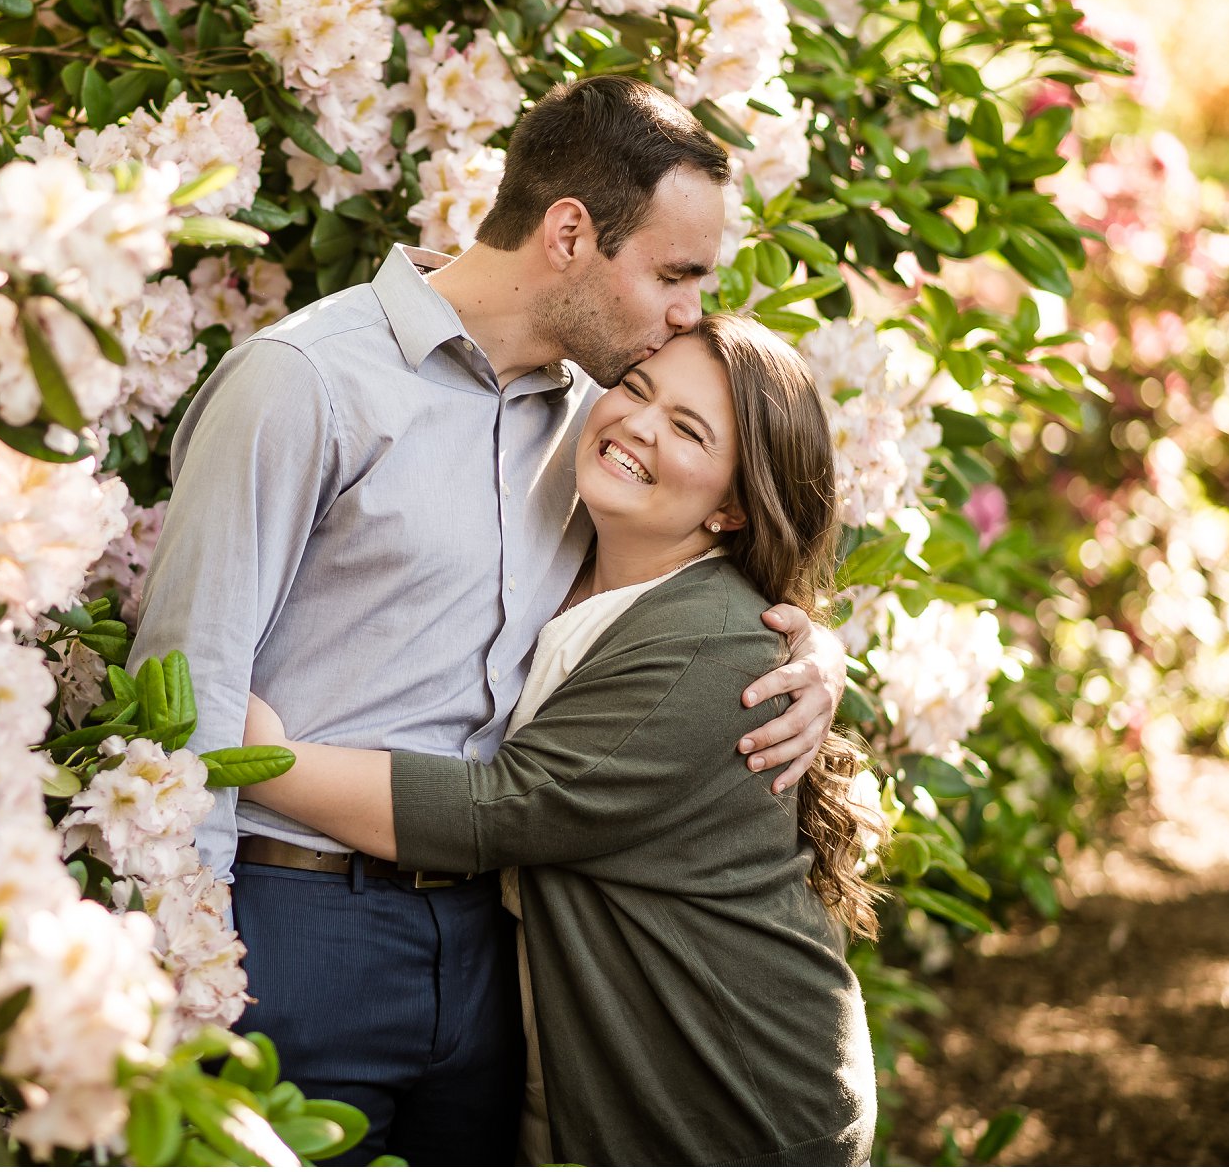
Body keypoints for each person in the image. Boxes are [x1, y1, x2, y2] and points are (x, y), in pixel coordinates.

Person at [128, 74, 849, 1165]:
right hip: (295, 920)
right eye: (671, 274)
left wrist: (812, 650)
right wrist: (182, 961)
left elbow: (678, 585)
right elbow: (183, 686)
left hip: (493, 957)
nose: (687, 312)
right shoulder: (307, 382)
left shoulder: (593, 421)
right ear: (569, 233)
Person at [242, 313, 882, 1165]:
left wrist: (255, 757)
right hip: (578, 1054)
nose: (638, 425)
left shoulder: (714, 643)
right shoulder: (574, 553)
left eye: (688, 430)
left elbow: (496, 810)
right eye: (636, 389)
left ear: (732, 505)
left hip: (726, 1088)